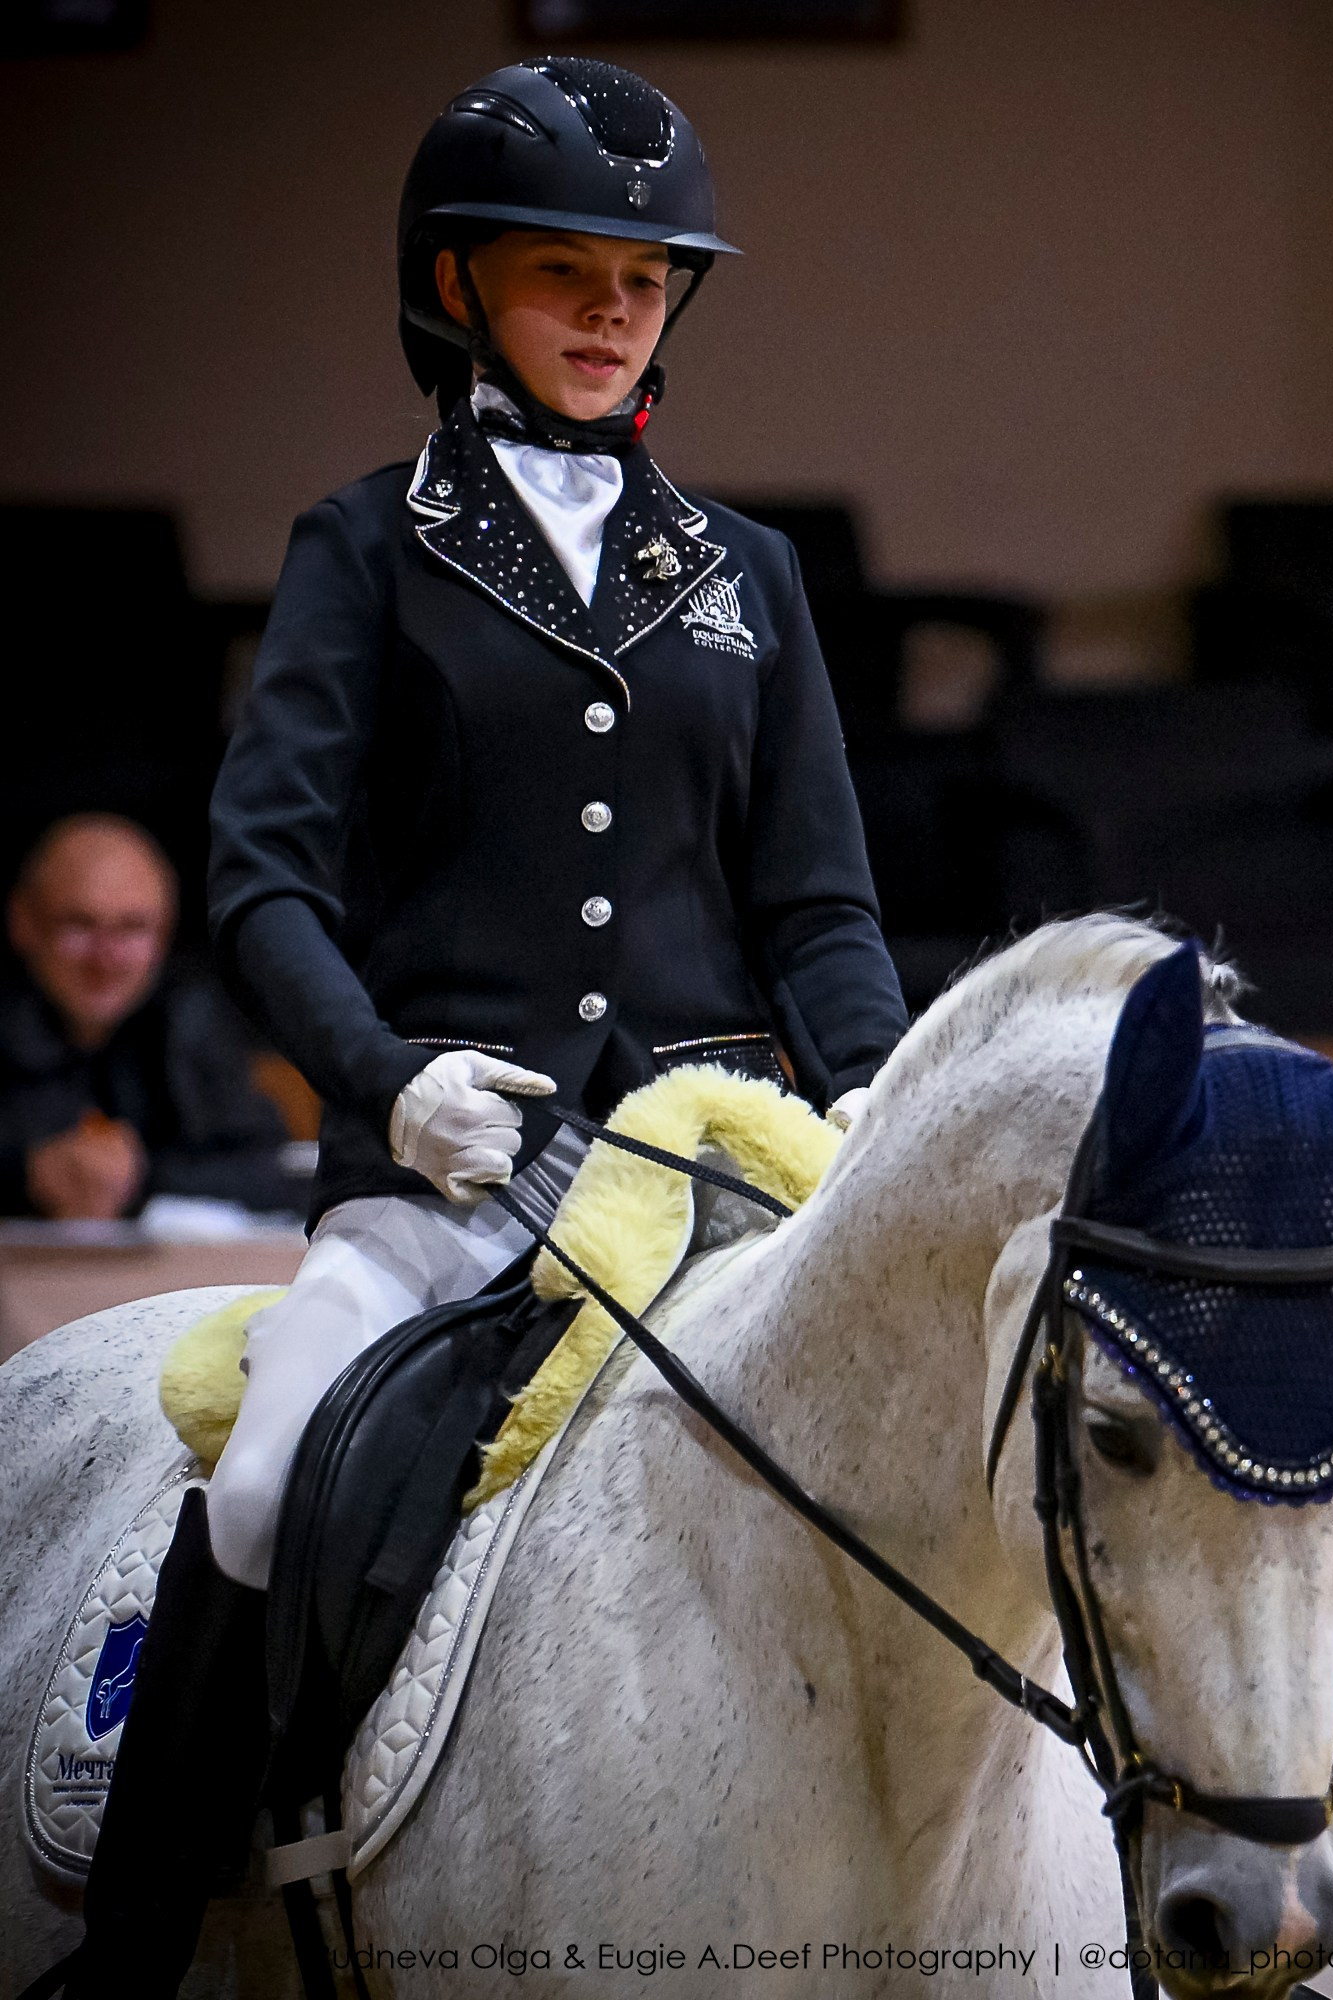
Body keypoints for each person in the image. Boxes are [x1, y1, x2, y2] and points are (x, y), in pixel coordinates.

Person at [47, 59, 907, 1996]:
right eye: (562, 274)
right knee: (265, 1479)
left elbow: (817, 907)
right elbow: (263, 881)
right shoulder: (364, 546)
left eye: (646, 280)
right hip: (444, 1163)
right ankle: (146, 1938)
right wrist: (383, 1077)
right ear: (456, 288)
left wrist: (871, 1090)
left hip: (703, 1162)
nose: (614, 313)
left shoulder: (748, 579)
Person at [0, 814, 296, 1222]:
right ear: (23, 922)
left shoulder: (192, 1020)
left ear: (164, 934)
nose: (106, 959)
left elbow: (273, 1170)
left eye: (132, 928)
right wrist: (25, 1174)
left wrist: (139, 1176)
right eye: (79, 924)